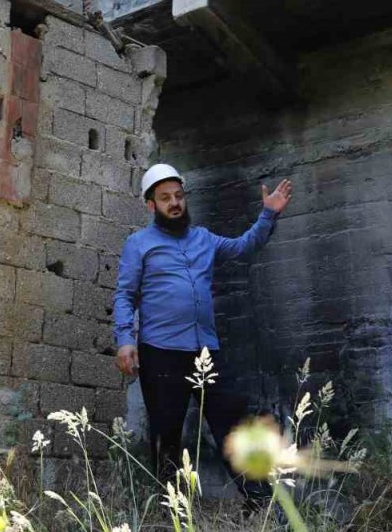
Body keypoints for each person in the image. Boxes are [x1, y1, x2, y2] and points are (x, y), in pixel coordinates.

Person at [113, 163, 293, 506]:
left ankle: (260, 506)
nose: (175, 203)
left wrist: (267, 215)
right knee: (167, 436)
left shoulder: (204, 239)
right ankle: (171, 515)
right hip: (160, 352)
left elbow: (243, 249)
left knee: (233, 428)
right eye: (165, 198)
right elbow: (125, 294)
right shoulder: (139, 244)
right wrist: (124, 339)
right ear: (151, 205)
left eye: (179, 196)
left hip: (206, 352)